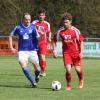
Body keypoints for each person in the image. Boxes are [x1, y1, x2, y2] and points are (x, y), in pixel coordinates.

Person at [9, 12, 44, 88]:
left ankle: (37, 76)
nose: (28, 21)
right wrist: (11, 47)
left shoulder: (33, 27)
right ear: (23, 19)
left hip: (32, 50)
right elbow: (10, 36)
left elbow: (38, 38)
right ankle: (33, 82)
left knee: (38, 69)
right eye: (26, 19)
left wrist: (42, 35)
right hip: (22, 51)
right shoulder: (18, 27)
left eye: (29, 19)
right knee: (23, 65)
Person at [53, 12, 84, 91]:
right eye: (64, 22)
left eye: (66, 22)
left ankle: (81, 80)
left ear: (70, 21)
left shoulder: (75, 31)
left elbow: (81, 41)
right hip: (66, 53)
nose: (65, 23)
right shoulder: (60, 31)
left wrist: (81, 52)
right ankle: (69, 85)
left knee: (78, 70)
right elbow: (54, 40)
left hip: (76, 53)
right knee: (68, 69)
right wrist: (54, 50)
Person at [32, 8, 52, 77]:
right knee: (36, 58)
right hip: (35, 43)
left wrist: (49, 37)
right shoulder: (34, 23)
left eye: (42, 15)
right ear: (38, 15)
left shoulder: (47, 24)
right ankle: (39, 70)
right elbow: (31, 30)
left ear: (44, 16)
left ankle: (43, 71)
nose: (41, 16)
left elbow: (49, 32)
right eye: (40, 15)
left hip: (43, 43)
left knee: (42, 57)